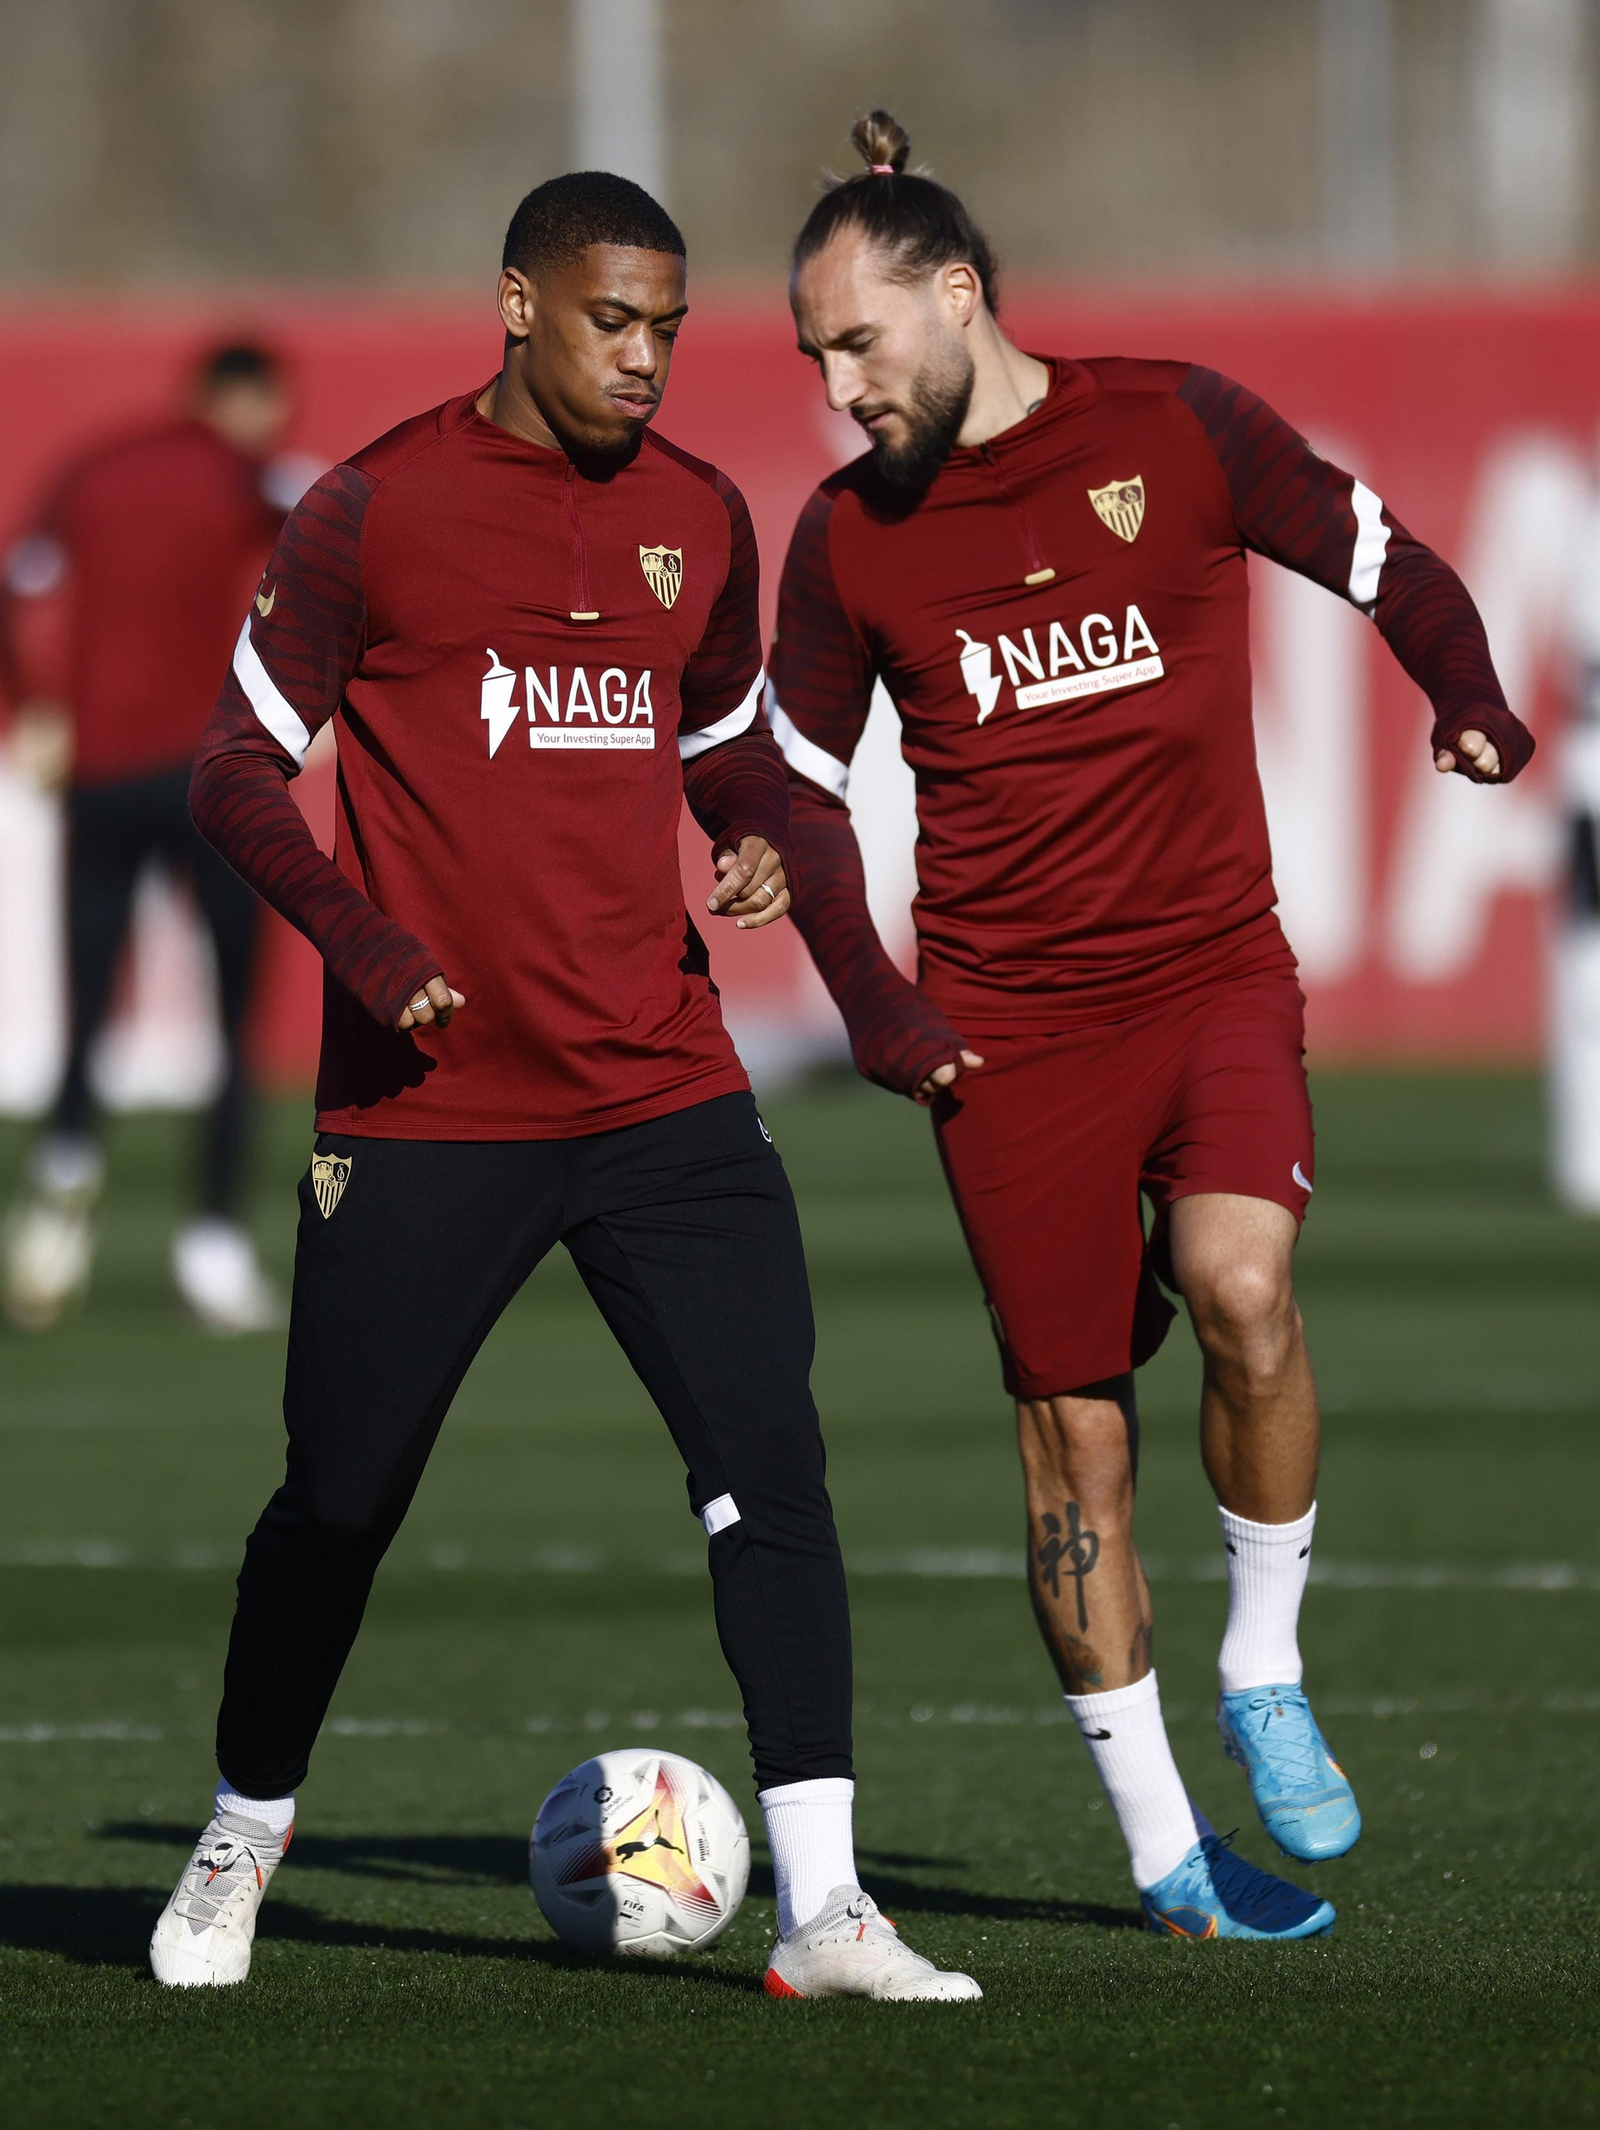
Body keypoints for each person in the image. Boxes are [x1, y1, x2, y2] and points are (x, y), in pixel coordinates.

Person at [147, 171, 978, 2005]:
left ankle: (827, 1908)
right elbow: (230, 772)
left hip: (663, 1090)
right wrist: (367, 946)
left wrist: (744, 830)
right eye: (613, 319)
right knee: (338, 1502)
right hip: (428, 1105)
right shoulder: (374, 508)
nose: (646, 357)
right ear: (518, 303)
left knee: (771, 1467)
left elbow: (726, 751)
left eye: (670, 326)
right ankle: (244, 1829)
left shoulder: (700, 514)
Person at [770, 112, 1534, 1940]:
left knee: (1242, 1290)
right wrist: (872, 999)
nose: (839, 390)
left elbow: (1393, 562)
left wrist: (1467, 692)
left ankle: (1264, 1663)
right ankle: (1169, 1854)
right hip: (1005, 1035)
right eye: (813, 359)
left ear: (960, 294)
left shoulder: (1177, 426)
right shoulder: (846, 538)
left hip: (1209, 976)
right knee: (1078, 1446)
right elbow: (791, 787)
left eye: (859, 343)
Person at [0, 342, 307, 1334]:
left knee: (91, 1000)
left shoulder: (95, 469)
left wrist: (33, 707)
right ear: (243, 398)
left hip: (98, 775)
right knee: (231, 1013)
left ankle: (67, 1160)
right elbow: (342, 533)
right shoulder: (241, 474)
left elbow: (18, 583)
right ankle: (212, 1244)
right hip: (208, 775)